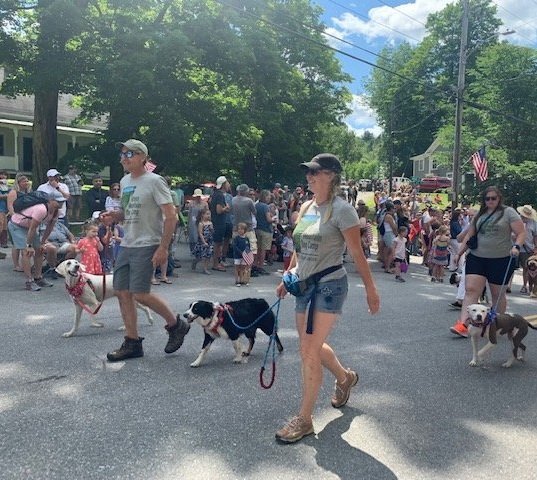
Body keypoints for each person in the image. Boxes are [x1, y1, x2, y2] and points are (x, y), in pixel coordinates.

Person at [275, 153, 379, 444]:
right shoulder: (307, 206)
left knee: (308, 352)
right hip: (303, 285)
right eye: (307, 172)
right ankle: (345, 378)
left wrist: (371, 289)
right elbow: (299, 246)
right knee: (311, 346)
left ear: (331, 175)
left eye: (314, 172)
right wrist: (288, 275)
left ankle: (305, 419)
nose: (308, 177)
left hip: (330, 286)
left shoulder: (342, 210)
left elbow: (357, 253)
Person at [102, 139, 190, 361]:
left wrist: (163, 247)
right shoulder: (124, 181)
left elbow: (170, 216)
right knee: (122, 292)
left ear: (142, 157)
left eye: (128, 154)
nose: (123, 158)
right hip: (127, 243)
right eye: (122, 154)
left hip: (147, 242)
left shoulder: (155, 181)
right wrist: (115, 216)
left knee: (140, 293)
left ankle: (176, 324)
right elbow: (127, 212)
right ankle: (132, 342)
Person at [450, 186, 525, 337]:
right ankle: (463, 324)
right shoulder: (480, 214)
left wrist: (517, 246)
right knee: (471, 290)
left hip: (501, 259)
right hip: (477, 257)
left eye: (493, 198)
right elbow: (470, 235)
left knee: (497, 294)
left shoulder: (508, 212)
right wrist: (459, 252)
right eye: (487, 198)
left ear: (499, 199)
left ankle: (497, 324)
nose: (490, 201)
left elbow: (521, 232)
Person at [7, 190, 65, 291]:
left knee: (39, 250)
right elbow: (33, 228)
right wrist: (28, 245)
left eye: (62, 201)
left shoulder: (56, 212)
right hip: (17, 226)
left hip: (29, 227)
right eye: (58, 201)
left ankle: (38, 278)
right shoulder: (41, 209)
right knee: (26, 252)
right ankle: (29, 281)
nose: (61, 203)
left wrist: (43, 242)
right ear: (50, 200)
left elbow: (49, 228)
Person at [7, 173, 32, 271]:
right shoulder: (14, 192)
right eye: (24, 181)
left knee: (24, 242)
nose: (26, 183)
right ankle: (16, 265)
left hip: (26, 219)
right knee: (16, 244)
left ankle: (25, 264)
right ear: (19, 183)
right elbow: (10, 206)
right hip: (16, 219)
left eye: (27, 181)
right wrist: (14, 217)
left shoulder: (28, 192)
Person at [232, 184, 257, 274]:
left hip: (236, 227)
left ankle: (238, 268)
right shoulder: (249, 201)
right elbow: (254, 212)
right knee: (252, 248)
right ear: (246, 191)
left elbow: (231, 211)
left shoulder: (233, 199)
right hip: (248, 228)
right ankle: (248, 268)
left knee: (237, 247)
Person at [209, 175, 230, 271]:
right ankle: (215, 264)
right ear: (224, 184)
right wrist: (226, 208)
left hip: (215, 221)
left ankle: (216, 262)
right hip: (219, 222)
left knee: (218, 243)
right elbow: (219, 210)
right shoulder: (220, 195)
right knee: (218, 243)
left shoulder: (214, 193)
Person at [515, 204, 537, 294]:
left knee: (526, 268)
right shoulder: (516, 220)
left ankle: (525, 286)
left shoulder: (533, 222)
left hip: (528, 248)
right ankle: (507, 285)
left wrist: (536, 247)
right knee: (512, 268)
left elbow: (535, 236)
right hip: (515, 247)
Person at [254, 189, 273, 275]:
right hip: (266, 230)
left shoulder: (256, 205)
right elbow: (268, 219)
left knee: (257, 248)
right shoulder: (266, 207)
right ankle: (260, 266)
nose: (269, 197)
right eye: (268, 196)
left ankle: (255, 264)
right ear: (265, 196)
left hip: (257, 228)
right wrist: (274, 219)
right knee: (263, 249)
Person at [187, 188, 208, 268]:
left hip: (201, 221)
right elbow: (189, 214)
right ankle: (193, 252)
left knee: (200, 236)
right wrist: (188, 224)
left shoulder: (204, 204)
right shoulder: (191, 204)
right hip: (193, 221)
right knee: (193, 237)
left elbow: (207, 212)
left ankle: (200, 253)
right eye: (197, 196)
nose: (198, 198)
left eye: (199, 196)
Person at [193, 208, 214, 275]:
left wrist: (212, 229)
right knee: (200, 256)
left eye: (209, 214)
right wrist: (204, 241)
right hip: (202, 241)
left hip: (209, 241)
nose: (208, 216)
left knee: (208, 255)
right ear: (202, 215)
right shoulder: (201, 224)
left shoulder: (210, 223)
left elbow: (212, 232)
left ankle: (205, 268)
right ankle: (195, 261)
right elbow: (200, 233)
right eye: (207, 214)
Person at [232, 222, 251, 286]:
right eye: (239, 229)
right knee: (237, 268)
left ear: (245, 230)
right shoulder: (236, 238)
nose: (240, 230)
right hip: (237, 256)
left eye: (242, 229)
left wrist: (247, 254)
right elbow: (235, 247)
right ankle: (237, 280)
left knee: (242, 268)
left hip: (244, 256)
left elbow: (248, 247)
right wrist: (240, 253)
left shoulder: (246, 239)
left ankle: (242, 279)